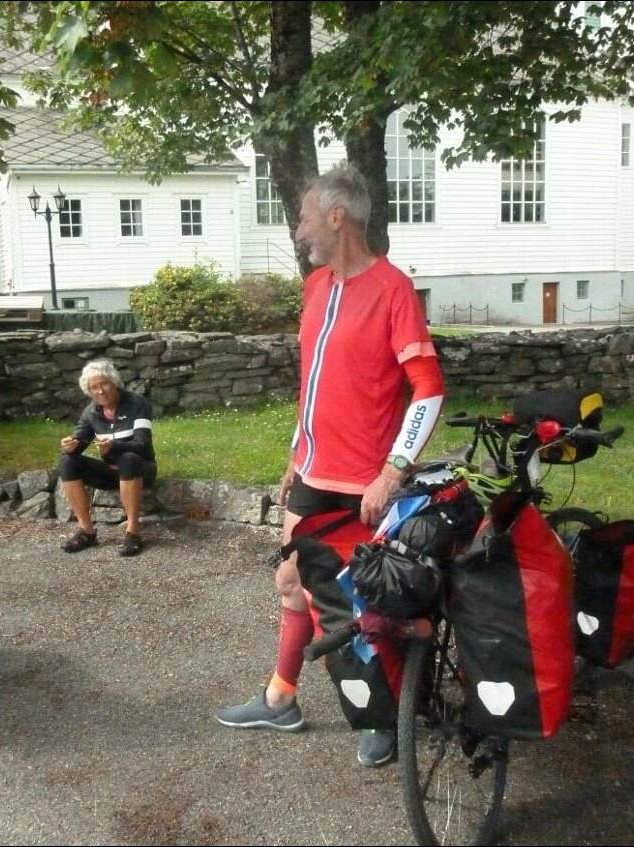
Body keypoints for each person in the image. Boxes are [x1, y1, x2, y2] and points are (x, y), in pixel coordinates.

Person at [215, 161, 446, 767]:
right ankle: (280, 697)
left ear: (337, 217)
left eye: (304, 217)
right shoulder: (316, 288)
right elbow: (313, 384)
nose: (298, 229)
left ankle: (386, 718)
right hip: (314, 477)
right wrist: (297, 451)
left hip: (364, 486)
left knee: (366, 608)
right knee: (290, 584)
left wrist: (394, 471)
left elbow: (428, 388)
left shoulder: (392, 288)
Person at [58, 358, 157, 557]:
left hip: (140, 469)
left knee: (129, 458)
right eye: (94, 388)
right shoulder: (90, 412)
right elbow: (79, 440)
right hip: (111, 472)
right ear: (89, 392)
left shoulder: (137, 404)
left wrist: (113, 446)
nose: (100, 391)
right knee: (67, 461)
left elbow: (142, 444)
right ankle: (87, 532)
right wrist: (69, 446)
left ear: (114, 383)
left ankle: (133, 533)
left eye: (104, 384)